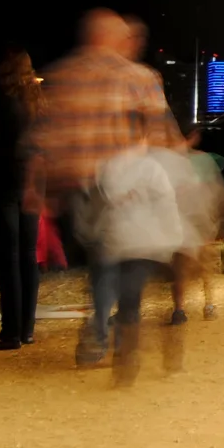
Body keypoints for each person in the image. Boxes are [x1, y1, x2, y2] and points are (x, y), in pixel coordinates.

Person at [33, 9, 186, 367]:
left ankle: (99, 329)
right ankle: (120, 332)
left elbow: (46, 136)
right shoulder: (139, 77)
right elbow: (161, 129)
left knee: (101, 262)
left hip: (82, 188)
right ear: (115, 38)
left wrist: (45, 189)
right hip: (124, 184)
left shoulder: (63, 75)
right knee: (129, 261)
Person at [75, 141, 186, 387]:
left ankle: (161, 353)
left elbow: (166, 204)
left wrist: (173, 238)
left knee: (138, 300)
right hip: (122, 246)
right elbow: (96, 208)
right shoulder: (108, 169)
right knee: (129, 301)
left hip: (146, 246)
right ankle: (128, 360)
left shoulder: (150, 169)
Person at [0, 50, 46, 350]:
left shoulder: (2, 102)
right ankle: (26, 329)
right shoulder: (38, 102)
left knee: (8, 257)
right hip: (33, 184)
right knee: (28, 256)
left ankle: (10, 332)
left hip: (5, 184)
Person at [168, 149, 224, 325]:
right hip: (201, 231)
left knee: (184, 273)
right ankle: (207, 305)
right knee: (204, 272)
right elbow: (221, 206)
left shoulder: (179, 185)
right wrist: (220, 228)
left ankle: (180, 309)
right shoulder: (208, 186)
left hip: (189, 233)